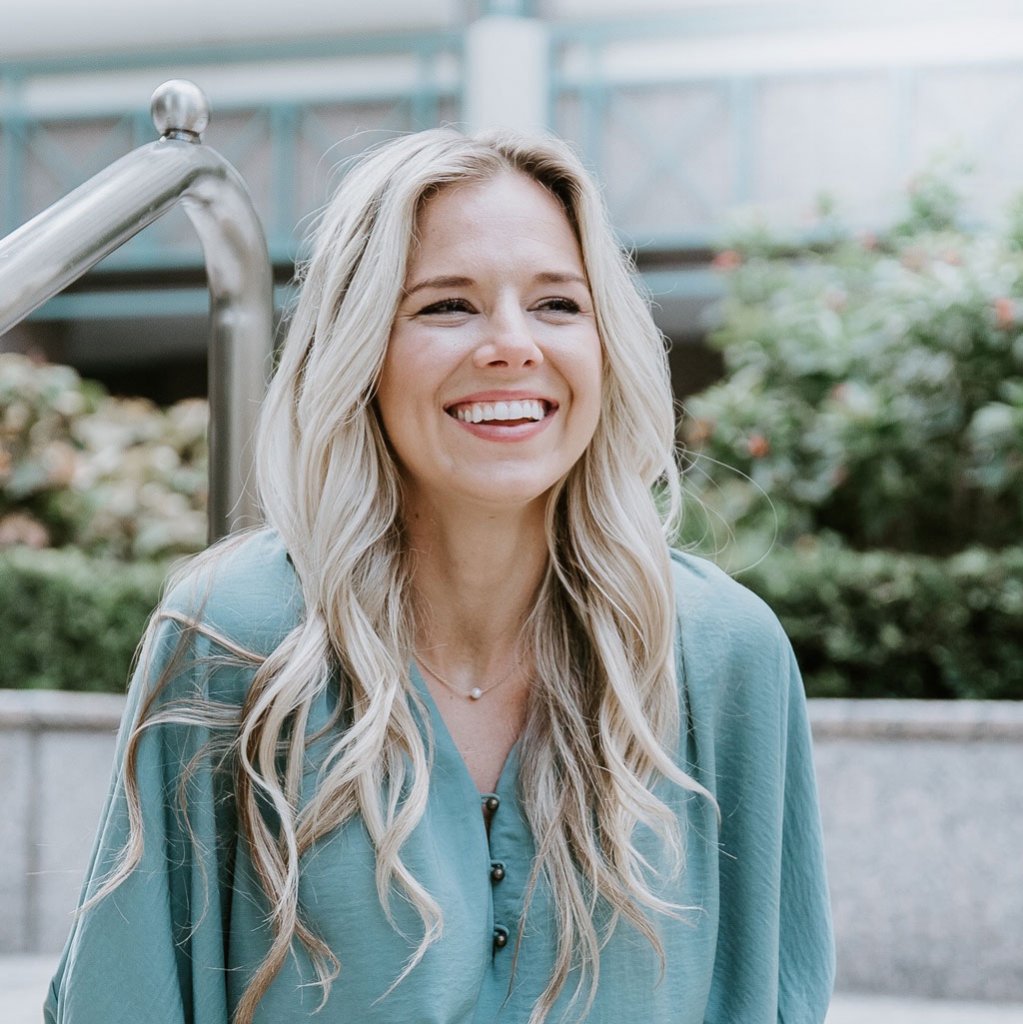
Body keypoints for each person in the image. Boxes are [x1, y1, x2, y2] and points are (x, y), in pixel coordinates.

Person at [44, 128, 834, 1024]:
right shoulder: (232, 631)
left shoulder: (722, 652)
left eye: (556, 305)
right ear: (361, 351)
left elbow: (769, 996)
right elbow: (126, 995)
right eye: (447, 306)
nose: (510, 345)